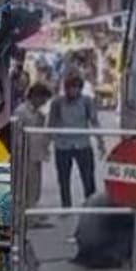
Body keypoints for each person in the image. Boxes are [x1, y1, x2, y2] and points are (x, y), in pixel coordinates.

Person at [47, 73, 105, 208]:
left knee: (88, 177)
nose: (73, 91)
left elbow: (94, 121)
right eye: (70, 88)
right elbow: (51, 123)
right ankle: (66, 206)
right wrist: (49, 142)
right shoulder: (57, 102)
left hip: (82, 144)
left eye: (76, 88)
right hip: (63, 145)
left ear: (80, 88)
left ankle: (90, 205)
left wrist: (100, 142)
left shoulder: (86, 101)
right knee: (63, 178)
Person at [13, 83, 53, 225]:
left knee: (35, 186)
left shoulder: (39, 113)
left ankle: (31, 212)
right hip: (25, 155)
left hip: (37, 154)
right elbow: (17, 135)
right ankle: (27, 217)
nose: (44, 102)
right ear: (35, 96)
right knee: (27, 186)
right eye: (43, 99)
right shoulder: (21, 112)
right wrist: (20, 154)